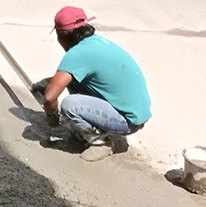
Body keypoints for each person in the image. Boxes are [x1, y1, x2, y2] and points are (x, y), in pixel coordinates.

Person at [35, 6, 152, 162]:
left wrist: (51, 117)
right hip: (137, 111)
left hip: (128, 121)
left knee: (69, 105)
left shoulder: (78, 54)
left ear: (61, 36)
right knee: (75, 79)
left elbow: (49, 98)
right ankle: (88, 129)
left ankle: (100, 143)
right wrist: (49, 84)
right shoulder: (96, 43)